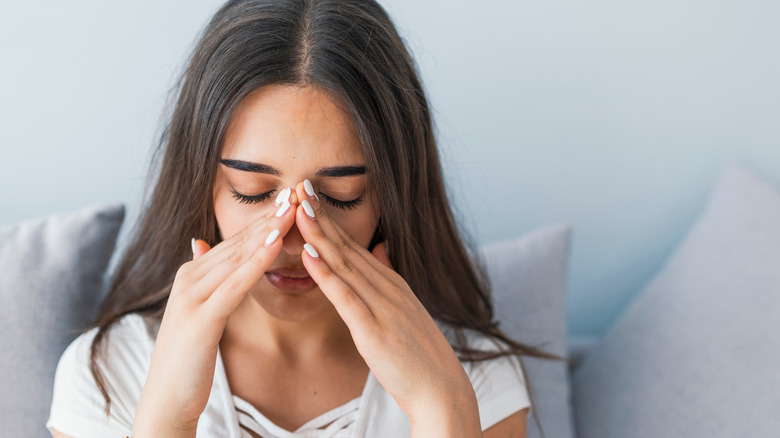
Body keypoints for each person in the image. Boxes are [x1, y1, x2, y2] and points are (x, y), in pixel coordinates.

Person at [46, 0, 561, 436]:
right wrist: (166, 418)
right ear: (202, 186)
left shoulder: (472, 376)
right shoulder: (110, 370)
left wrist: (442, 411)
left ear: (392, 196)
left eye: (339, 196)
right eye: (251, 192)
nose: (290, 238)